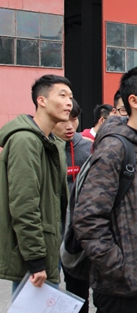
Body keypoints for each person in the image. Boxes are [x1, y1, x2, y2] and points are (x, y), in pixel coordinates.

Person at [73, 66, 137, 312]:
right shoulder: (115, 148)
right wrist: (118, 268)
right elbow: (88, 218)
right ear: (134, 101)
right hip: (121, 290)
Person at [0, 75, 72, 291]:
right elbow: (24, 204)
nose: (69, 102)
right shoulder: (26, 141)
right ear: (42, 100)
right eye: (62, 96)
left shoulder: (49, 141)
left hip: (48, 248)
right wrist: (35, 259)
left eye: (71, 97)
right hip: (35, 257)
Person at [53, 98, 93, 312]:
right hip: (51, 232)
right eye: (63, 120)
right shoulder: (43, 148)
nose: (69, 126)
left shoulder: (88, 148)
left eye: (74, 119)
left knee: (78, 293)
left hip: (76, 235)